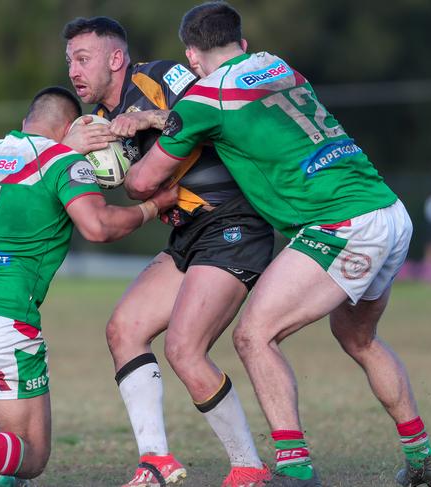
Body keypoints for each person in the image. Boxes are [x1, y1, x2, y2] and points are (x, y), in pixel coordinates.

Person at [123, 3, 431, 487]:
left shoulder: (202, 100)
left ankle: (295, 470)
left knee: (255, 336)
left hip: (340, 223)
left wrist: (119, 144)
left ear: (191, 56)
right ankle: (422, 459)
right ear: (242, 42)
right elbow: (237, 110)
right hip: (388, 211)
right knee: (359, 339)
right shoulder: (279, 67)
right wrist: (163, 116)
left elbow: (141, 182)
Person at [0, 86, 178, 487]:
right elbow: (98, 227)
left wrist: (63, 147)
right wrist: (152, 207)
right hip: (1, 322)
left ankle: (2, 477)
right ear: (74, 128)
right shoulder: (65, 162)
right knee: (33, 454)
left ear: (25, 125)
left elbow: (34, 161)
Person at [63, 16, 274, 487]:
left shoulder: (159, 77)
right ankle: (156, 461)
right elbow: (125, 192)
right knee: (124, 330)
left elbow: (219, 110)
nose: (74, 71)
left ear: (116, 59)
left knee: (184, 349)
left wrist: (150, 119)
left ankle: (249, 468)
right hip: (186, 235)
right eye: (69, 61)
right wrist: (66, 149)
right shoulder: (95, 124)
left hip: (232, 222)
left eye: (83, 59)